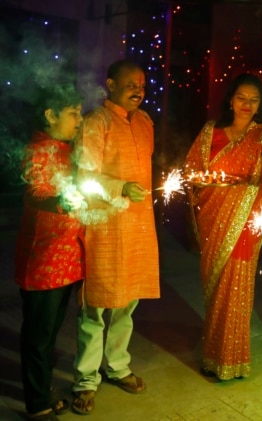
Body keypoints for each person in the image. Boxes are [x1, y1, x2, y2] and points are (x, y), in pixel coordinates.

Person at [71, 59, 160, 414]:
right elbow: (83, 177)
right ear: (110, 84)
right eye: (130, 84)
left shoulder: (146, 122)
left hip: (138, 226)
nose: (139, 90)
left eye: (142, 84)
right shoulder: (97, 122)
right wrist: (119, 186)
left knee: (127, 303)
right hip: (106, 225)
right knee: (96, 307)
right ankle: (85, 379)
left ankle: (117, 366)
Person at [183, 73, 262, 381]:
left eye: (254, 100)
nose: (247, 105)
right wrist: (198, 180)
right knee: (214, 287)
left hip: (244, 220)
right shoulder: (210, 131)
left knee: (236, 287)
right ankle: (213, 355)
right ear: (230, 99)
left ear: (260, 104)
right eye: (242, 98)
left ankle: (232, 359)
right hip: (212, 214)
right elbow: (191, 168)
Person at [14, 85, 85, 421]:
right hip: (43, 262)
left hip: (69, 260)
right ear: (51, 115)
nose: (80, 120)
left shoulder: (70, 151)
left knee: (51, 332)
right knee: (39, 337)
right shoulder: (37, 150)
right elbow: (34, 192)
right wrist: (62, 201)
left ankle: (41, 391)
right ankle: (37, 403)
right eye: (74, 113)